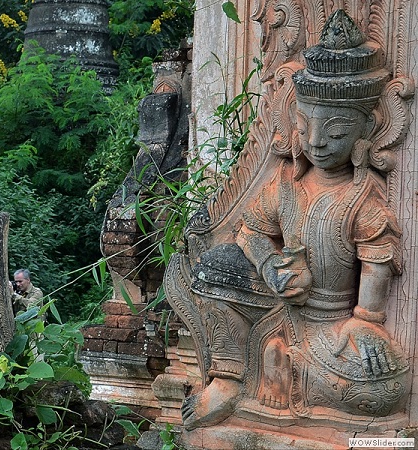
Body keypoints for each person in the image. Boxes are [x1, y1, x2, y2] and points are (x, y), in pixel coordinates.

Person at [165, 9, 410, 429]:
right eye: (306, 126)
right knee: (211, 268)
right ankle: (229, 377)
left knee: (383, 387)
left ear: (368, 127)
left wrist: (365, 323)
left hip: (336, 333)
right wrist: (271, 267)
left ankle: (278, 369)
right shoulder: (285, 185)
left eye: (334, 133)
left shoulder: (361, 202)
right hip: (280, 309)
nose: (316, 142)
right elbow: (252, 230)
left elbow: (377, 266)